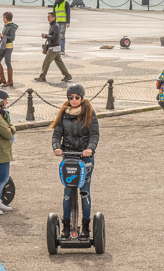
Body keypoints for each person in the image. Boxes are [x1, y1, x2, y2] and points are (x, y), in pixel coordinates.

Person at [51, 84, 99, 239]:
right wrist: (57, 147)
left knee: (84, 192)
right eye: (70, 97)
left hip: (85, 158)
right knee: (67, 192)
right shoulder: (63, 113)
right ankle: (66, 226)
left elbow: (94, 134)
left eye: (77, 97)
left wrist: (90, 148)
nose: (73, 100)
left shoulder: (89, 113)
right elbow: (57, 134)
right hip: (69, 157)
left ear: (82, 97)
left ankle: (85, 226)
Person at [35, 12, 72, 82]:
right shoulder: (53, 25)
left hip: (53, 48)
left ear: (54, 18)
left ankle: (42, 77)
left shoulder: (55, 26)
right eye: (47, 17)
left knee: (46, 62)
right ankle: (67, 75)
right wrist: (47, 36)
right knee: (59, 63)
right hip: (55, 47)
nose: (48, 18)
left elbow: (55, 37)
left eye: (49, 17)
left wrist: (46, 36)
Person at [0, 11, 18, 87]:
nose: (3, 19)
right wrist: (1, 36)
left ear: (7, 18)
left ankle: (10, 81)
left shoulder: (11, 27)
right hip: (3, 46)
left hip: (8, 47)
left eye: (4, 17)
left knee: (8, 63)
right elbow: (5, 36)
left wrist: (2, 36)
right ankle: (2, 79)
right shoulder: (6, 25)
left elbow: (12, 38)